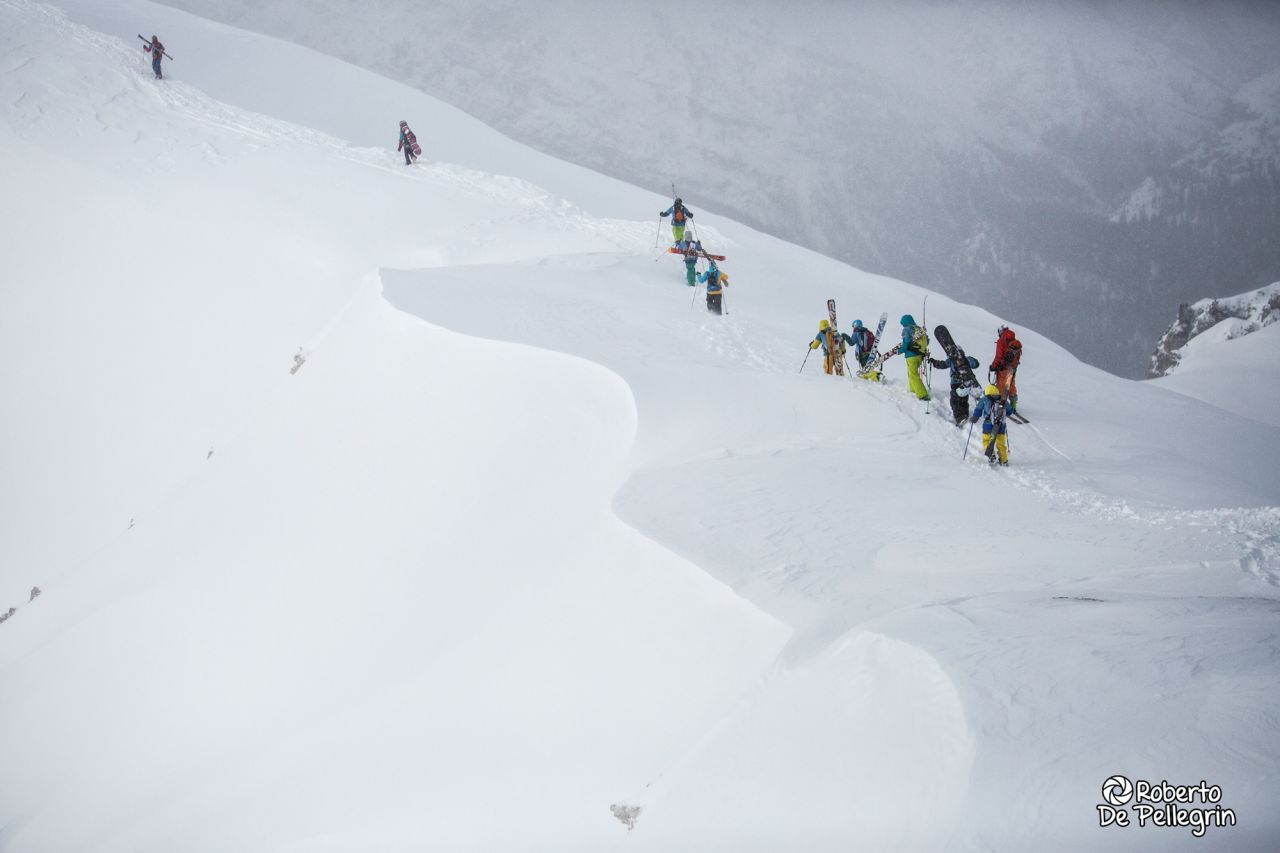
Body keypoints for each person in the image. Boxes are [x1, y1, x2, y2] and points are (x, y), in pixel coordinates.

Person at [929, 351, 981, 425]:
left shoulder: (951, 360)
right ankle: (965, 415)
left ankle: (960, 417)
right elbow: (976, 364)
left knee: (955, 401)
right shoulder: (966, 359)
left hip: (955, 383)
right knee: (963, 400)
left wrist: (934, 362)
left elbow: (943, 365)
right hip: (966, 383)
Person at [970, 384, 1010, 465]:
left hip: (988, 425)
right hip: (1001, 425)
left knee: (986, 440)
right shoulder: (1003, 400)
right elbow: (1009, 412)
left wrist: (974, 419)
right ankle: (1004, 460)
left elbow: (978, 411)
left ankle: (991, 455)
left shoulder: (984, 399)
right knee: (1001, 443)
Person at [990, 326, 1022, 411]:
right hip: (1013, 368)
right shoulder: (1014, 341)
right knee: (1010, 384)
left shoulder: (1001, 341)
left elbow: (998, 356)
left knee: (1001, 385)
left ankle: (1001, 405)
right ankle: (1013, 404)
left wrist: (993, 366)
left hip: (1003, 367)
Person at [899, 314, 931, 400]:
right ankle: (913, 390)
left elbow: (906, 343)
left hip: (911, 355)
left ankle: (923, 395)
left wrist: (900, 351)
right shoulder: (919, 329)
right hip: (920, 355)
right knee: (911, 373)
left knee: (913, 374)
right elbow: (927, 342)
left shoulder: (907, 329)